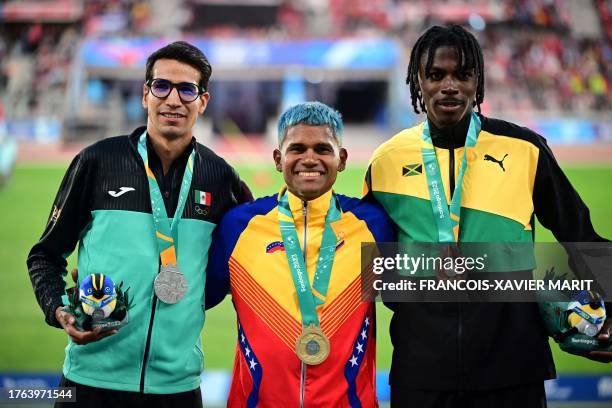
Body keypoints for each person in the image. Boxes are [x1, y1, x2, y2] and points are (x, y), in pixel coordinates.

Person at [363, 24, 611, 407]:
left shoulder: (525, 149)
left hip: (513, 369)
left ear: (478, 81)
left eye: (463, 74)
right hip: (422, 373)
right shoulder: (386, 161)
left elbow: (581, 234)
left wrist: (609, 312)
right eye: (436, 75)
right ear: (417, 81)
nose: (450, 86)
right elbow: (376, 263)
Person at [27, 41, 252, 407]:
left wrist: (192, 299)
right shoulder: (97, 162)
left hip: (176, 388)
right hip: (89, 382)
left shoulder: (220, 177)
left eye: (187, 89)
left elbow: (241, 263)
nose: (173, 99)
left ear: (203, 101)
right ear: (146, 94)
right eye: (162, 86)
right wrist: (59, 309)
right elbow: (44, 256)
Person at [206, 101, 395, 406]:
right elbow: (195, 300)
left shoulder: (373, 225)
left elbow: (427, 292)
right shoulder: (238, 226)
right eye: (297, 149)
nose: (310, 159)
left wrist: (499, 275)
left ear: (342, 159)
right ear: (278, 159)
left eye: (322, 149)